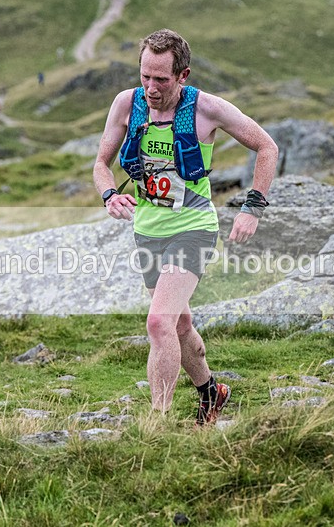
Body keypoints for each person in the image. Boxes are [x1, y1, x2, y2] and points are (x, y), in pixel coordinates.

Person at [93, 29, 277, 425]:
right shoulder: (127, 104)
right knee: (178, 323)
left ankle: (156, 426)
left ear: (183, 75)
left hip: (193, 226)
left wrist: (252, 207)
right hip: (148, 230)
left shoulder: (208, 110)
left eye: (161, 79)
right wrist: (110, 195)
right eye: (145, 76)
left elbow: (267, 147)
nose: (151, 87)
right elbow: (100, 164)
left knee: (158, 322)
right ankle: (212, 392)